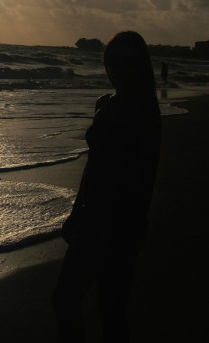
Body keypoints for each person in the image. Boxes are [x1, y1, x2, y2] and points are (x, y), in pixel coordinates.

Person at [52, 31, 161, 343]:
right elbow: (93, 166)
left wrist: (133, 228)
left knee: (107, 308)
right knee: (73, 301)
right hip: (91, 217)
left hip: (120, 223)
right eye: (113, 61)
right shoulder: (105, 104)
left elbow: (145, 176)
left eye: (127, 62)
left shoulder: (145, 113)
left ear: (140, 65)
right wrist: (76, 211)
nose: (118, 69)